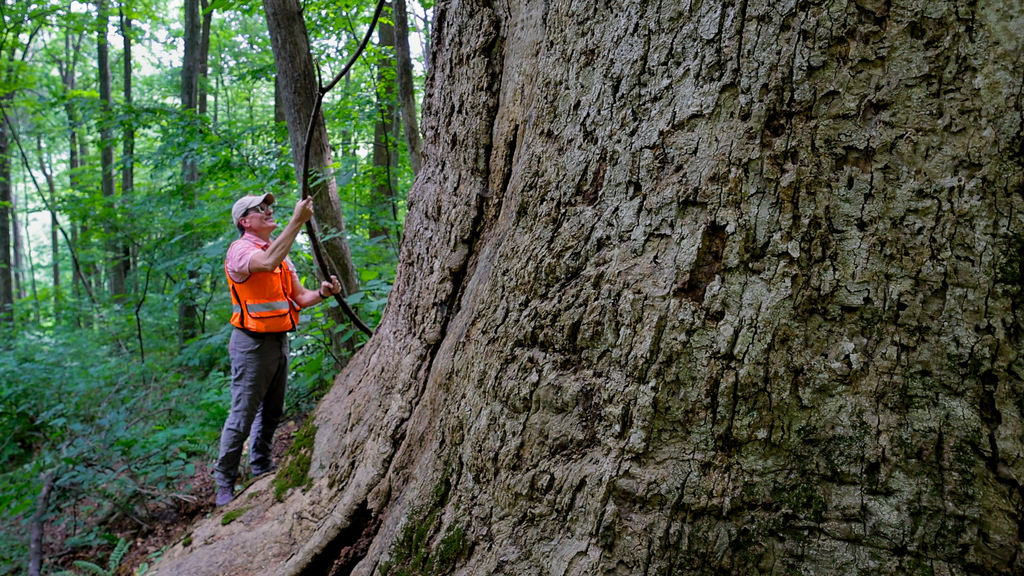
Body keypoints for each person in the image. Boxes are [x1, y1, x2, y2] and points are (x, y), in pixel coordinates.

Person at [214, 193, 342, 506]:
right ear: (244, 221)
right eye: (260, 209)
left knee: (271, 412)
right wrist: (297, 221)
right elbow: (266, 263)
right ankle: (223, 486)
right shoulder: (240, 251)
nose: (269, 211)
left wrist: (323, 293)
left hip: (280, 341)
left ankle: (262, 468)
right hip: (251, 345)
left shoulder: (281, 254)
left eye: (270, 206)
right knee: (242, 415)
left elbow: (300, 298)